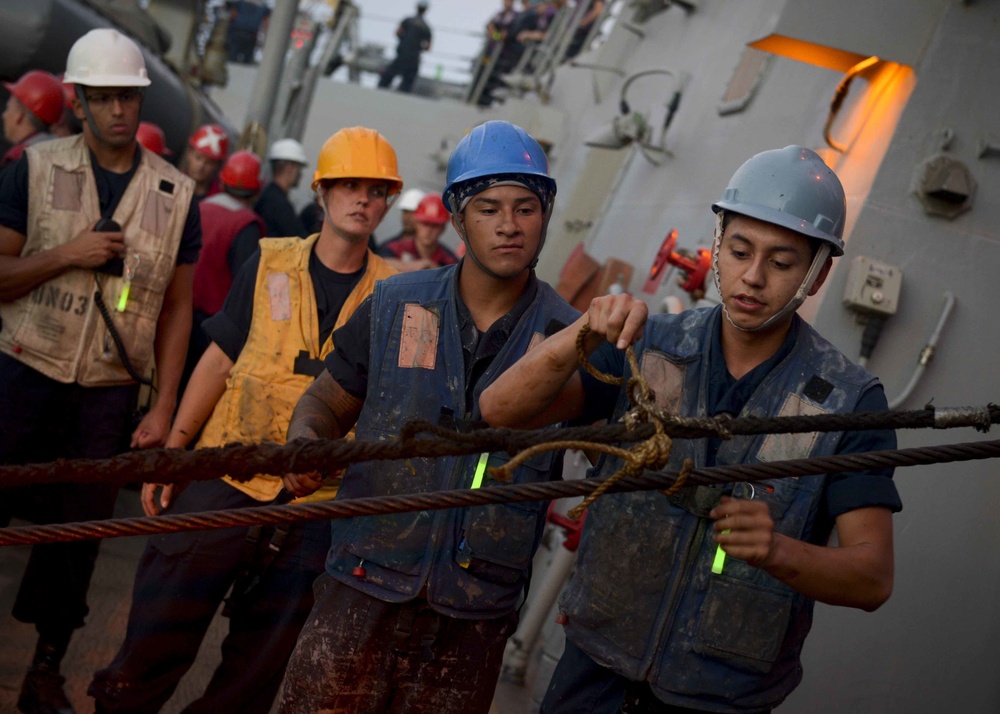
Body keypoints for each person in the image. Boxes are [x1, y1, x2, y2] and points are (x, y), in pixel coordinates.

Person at [480, 145, 902, 714]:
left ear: (818, 272)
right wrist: (581, 333)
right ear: (718, 243)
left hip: (720, 695)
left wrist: (776, 549)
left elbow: (872, 578)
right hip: (594, 669)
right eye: (739, 251)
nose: (752, 277)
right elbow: (498, 410)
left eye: (781, 263)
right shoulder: (648, 345)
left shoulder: (850, 401)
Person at [88, 127, 400, 714]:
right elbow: (220, 358)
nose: (363, 199)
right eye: (349, 185)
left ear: (389, 202)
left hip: (317, 503)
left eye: (377, 190)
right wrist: (176, 452)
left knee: (255, 672)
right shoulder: (271, 260)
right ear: (322, 191)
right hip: (227, 471)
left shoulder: (396, 294)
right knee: (155, 633)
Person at [275, 120, 578, 714]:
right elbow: (326, 401)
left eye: (526, 208)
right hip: (362, 584)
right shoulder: (394, 305)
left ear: (545, 214)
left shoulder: (569, 337)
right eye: (488, 209)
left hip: (475, 613)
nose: (510, 225)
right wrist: (306, 440)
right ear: (458, 218)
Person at [0, 28, 200, 714]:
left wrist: (163, 407)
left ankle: (45, 670)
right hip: (23, 374)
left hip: (107, 396)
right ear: (78, 100)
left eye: (129, 97)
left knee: (77, 539)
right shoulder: (33, 167)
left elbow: (178, 309)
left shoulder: (176, 193)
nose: (119, 109)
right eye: (104, 96)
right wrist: (68, 254)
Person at [184, 149, 266, 391]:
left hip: (177, 316)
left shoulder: (197, 208)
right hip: (212, 333)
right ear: (257, 190)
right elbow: (247, 285)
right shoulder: (246, 225)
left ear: (221, 181)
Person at [377, 192, 457, 272]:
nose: (428, 231)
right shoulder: (394, 249)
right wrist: (408, 266)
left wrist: (435, 270)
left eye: (435, 226)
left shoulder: (450, 260)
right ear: (416, 223)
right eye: (425, 224)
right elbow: (376, 263)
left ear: (443, 228)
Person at [2, 70, 64, 169]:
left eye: (8, 108)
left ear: (19, 115)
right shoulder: (66, 151)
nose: (4, 116)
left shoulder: (19, 159)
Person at [255, 137, 308, 239]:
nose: (300, 174)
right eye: (299, 168)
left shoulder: (267, 194)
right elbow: (299, 239)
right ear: (290, 167)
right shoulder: (279, 204)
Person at [377, 1, 432, 93]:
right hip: (414, 57)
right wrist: (419, 47)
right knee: (408, 82)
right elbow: (428, 47)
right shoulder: (426, 27)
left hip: (402, 54)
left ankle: (379, 92)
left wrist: (404, 40)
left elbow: (398, 32)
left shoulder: (408, 20)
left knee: (387, 76)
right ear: (425, 10)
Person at [184, 123, 229, 201]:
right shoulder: (173, 181)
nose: (201, 166)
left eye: (209, 163)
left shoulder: (218, 198)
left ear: (217, 165)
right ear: (189, 154)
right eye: (198, 158)